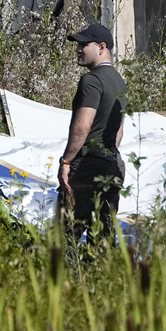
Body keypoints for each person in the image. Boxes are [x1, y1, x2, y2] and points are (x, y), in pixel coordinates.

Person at [57, 22, 128, 242]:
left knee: (66, 236)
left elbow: (82, 126)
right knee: (103, 237)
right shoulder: (119, 81)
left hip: (87, 166)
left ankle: (62, 276)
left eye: (84, 44)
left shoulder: (91, 80)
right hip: (112, 164)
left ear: (101, 47)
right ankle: (100, 275)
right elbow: (118, 132)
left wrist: (67, 162)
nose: (78, 49)